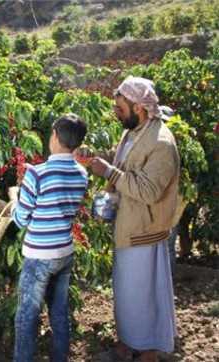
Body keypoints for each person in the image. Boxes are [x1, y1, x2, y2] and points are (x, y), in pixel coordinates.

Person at [82, 77, 179, 362]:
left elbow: (148, 191)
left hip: (144, 231)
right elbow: (119, 160)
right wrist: (95, 158)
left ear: (139, 107)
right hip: (129, 226)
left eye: (120, 107)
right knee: (126, 293)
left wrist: (109, 173)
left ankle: (147, 351)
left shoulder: (161, 142)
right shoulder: (135, 131)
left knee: (143, 295)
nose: (116, 111)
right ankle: (126, 346)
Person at [8, 114, 89, 362]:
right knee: (59, 312)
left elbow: (22, 219)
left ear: (54, 135)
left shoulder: (38, 173)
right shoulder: (81, 173)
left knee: (26, 316)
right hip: (64, 252)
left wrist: (14, 203)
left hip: (39, 255)